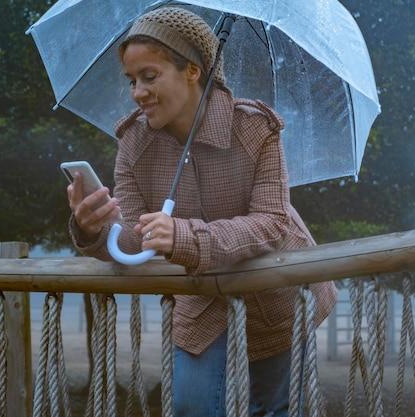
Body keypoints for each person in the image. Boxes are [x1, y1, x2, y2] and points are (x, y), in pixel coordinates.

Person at [67, 7, 337, 417]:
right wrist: (95, 229)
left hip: (277, 292)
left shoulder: (255, 129)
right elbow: (135, 239)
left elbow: (271, 221)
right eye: (132, 80)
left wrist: (185, 237)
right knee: (191, 405)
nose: (137, 92)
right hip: (199, 299)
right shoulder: (133, 142)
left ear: (192, 71)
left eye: (150, 76)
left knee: (276, 408)